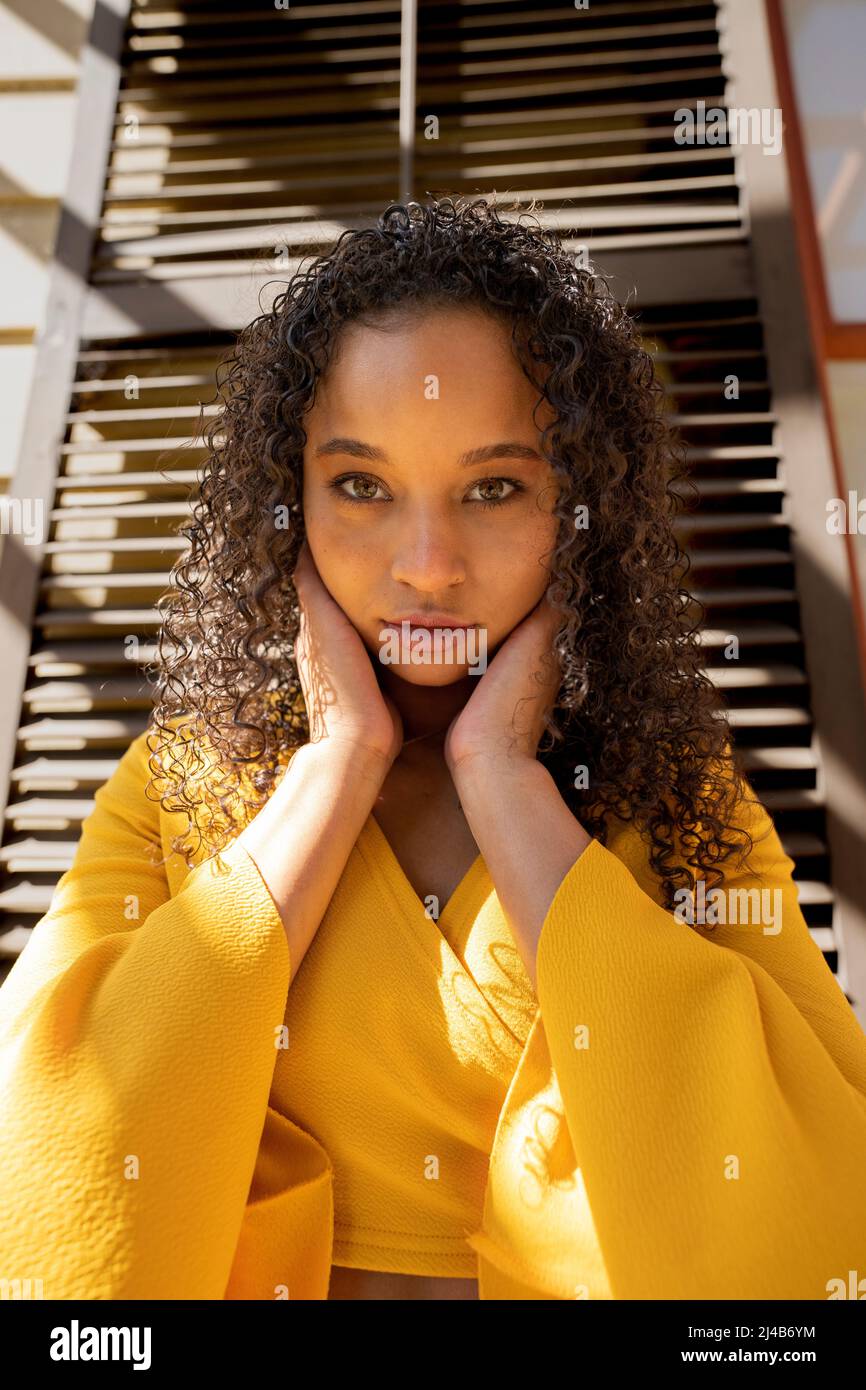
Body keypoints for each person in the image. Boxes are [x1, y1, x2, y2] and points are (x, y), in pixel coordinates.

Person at [1, 196, 866, 1302]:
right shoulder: (174, 786)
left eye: (493, 487)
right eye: (360, 485)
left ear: (579, 508)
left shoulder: (679, 801)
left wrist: (501, 778)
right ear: (288, 503)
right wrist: (337, 763)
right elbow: (44, 1174)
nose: (425, 564)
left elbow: (820, 1207)